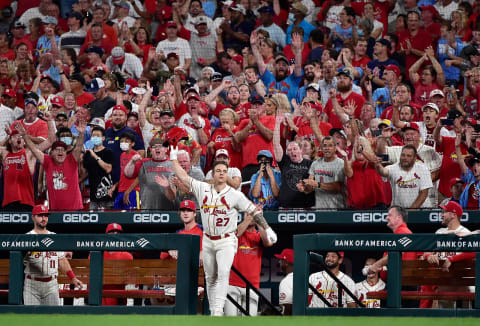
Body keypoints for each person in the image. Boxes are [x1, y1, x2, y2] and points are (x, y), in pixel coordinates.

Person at [169, 146, 277, 316]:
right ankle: (214, 311)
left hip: (226, 239)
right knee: (210, 278)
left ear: (227, 174)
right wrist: (173, 158)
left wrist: (267, 228)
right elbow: (183, 176)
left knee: (223, 273)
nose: (221, 173)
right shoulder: (203, 188)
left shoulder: (235, 194)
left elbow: (254, 210)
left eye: (224, 171)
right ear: (212, 174)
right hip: (208, 238)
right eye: (218, 170)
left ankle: (218, 311)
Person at [23, 204, 83, 305]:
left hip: (51, 284)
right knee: (32, 318)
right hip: (32, 284)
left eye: (46, 216)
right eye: (40, 215)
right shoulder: (27, 238)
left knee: (52, 317)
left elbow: (62, 260)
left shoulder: (54, 237)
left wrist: (72, 278)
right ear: (33, 217)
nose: (43, 218)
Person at [424, 200, 471, 308]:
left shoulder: (465, 233)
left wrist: (451, 259)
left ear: (453, 215)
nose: (441, 215)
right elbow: (426, 251)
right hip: (440, 282)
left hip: (460, 282)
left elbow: (473, 254)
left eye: (444, 212)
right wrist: (429, 256)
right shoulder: (440, 232)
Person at [224, 212, 273, 316]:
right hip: (232, 283)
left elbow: (268, 242)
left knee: (249, 321)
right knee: (230, 321)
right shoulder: (235, 229)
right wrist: (249, 217)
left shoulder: (259, 235)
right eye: (248, 213)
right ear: (244, 215)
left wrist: (259, 221)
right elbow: (235, 234)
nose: (252, 216)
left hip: (252, 285)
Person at [298, 136, 346, 209]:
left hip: (337, 208)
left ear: (335, 148)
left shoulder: (341, 163)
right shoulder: (315, 164)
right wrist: (304, 187)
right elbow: (310, 186)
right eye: (324, 146)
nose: (327, 148)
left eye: (330, 145)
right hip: (320, 209)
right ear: (321, 148)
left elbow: (338, 187)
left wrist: (318, 184)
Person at [102, 223, 135, 306]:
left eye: (118, 233)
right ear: (106, 236)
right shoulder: (96, 254)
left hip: (119, 297)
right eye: (112, 232)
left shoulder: (127, 256)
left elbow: (131, 280)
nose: (115, 235)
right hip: (100, 296)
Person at [82, 126, 115, 210]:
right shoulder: (88, 154)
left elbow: (108, 169)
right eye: (93, 135)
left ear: (103, 138)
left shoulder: (108, 152)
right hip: (93, 196)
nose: (95, 137)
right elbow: (86, 172)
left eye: (98, 135)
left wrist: (95, 156)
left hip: (107, 195)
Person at [275, 248, 294, 315]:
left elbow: (288, 306)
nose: (279, 262)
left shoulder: (286, 281)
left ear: (286, 263)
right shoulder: (302, 278)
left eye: (281, 260)